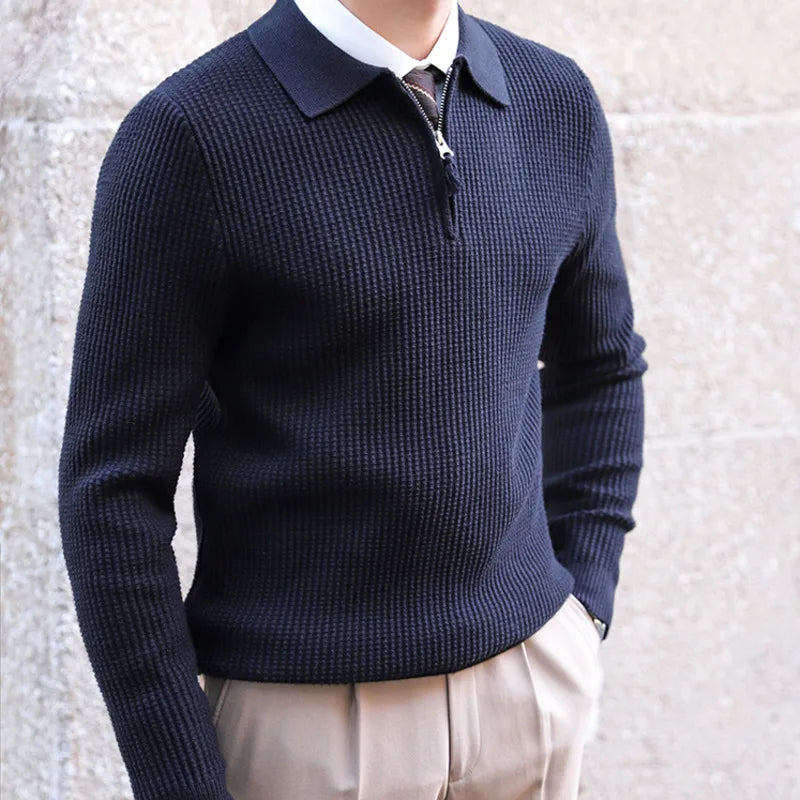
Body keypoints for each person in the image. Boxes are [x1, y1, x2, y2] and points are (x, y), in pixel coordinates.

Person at [57, 0, 648, 797]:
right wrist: (180, 780)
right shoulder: (191, 136)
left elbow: (601, 366)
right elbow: (112, 491)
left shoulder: (556, 99)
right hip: (308, 723)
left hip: (530, 692)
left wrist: (584, 606)